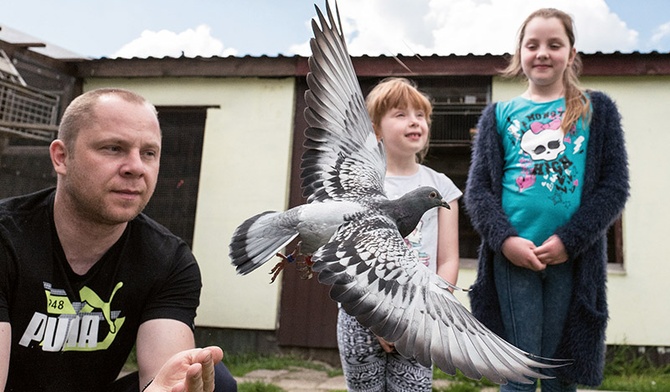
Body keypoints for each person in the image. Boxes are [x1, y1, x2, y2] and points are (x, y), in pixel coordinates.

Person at [0, 88, 237, 391]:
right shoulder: (7, 238)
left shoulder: (167, 260)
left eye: (148, 153)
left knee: (211, 382)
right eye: (113, 148)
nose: (136, 167)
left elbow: (166, 377)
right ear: (62, 157)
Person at [464, 8, 630, 391]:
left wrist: (568, 242)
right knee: (518, 370)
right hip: (513, 259)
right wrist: (505, 242)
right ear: (519, 53)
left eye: (554, 45)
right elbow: (479, 192)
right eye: (532, 44)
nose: (542, 53)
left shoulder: (596, 110)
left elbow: (613, 187)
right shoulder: (499, 115)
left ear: (571, 54)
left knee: (559, 373)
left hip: (570, 259)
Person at [336, 77, 462, 391]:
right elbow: (346, 259)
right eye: (401, 114)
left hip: (419, 318)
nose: (414, 121)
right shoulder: (360, 184)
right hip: (361, 313)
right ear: (376, 128)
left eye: (421, 115)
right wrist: (378, 318)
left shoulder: (442, 186)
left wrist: (423, 316)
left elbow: (447, 260)